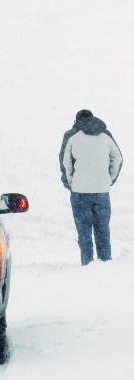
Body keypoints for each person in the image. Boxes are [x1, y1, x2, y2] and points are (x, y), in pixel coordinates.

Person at [59, 109, 123, 266]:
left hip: (80, 192)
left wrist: (70, 182)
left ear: (77, 120)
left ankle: (87, 264)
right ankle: (106, 262)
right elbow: (118, 158)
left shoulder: (71, 135)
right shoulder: (105, 134)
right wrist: (110, 179)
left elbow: (65, 161)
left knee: (84, 231)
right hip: (102, 191)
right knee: (102, 229)